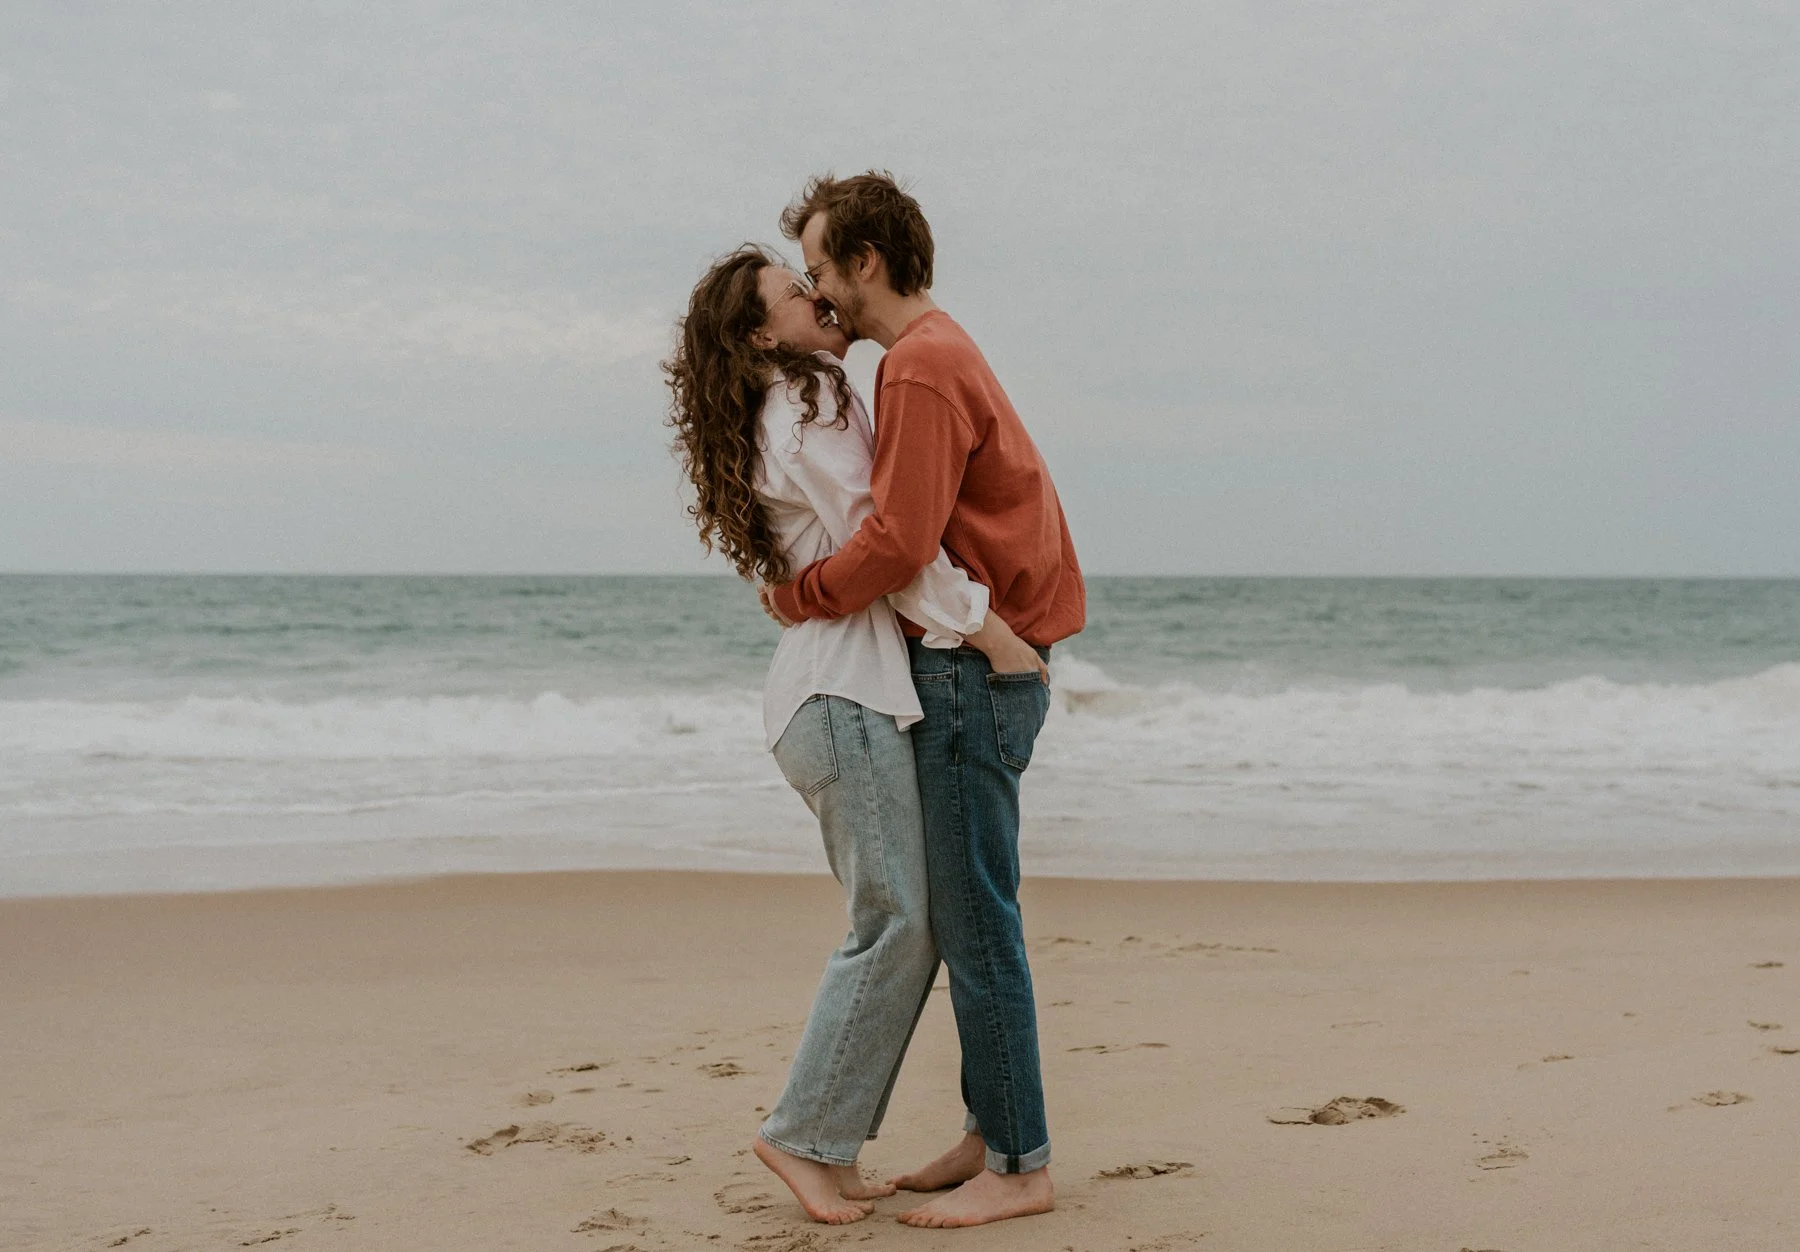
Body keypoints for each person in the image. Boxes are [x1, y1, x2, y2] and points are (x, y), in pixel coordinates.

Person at [663, 244, 1044, 1225]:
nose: (817, 291)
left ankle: (825, 1146)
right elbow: (891, 537)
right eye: (796, 289)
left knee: (907, 928)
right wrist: (989, 628)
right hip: (841, 702)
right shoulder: (809, 402)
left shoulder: (794, 401)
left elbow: (871, 541)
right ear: (760, 333)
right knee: (898, 925)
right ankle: (798, 1137)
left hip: (838, 700)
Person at [762, 172, 1086, 1229]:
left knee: (978, 925)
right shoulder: (938, 354)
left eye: (821, 269)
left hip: (965, 671)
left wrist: (804, 592)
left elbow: (898, 541)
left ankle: (1022, 1165)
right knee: (964, 915)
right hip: (980, 659)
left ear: (866, 261)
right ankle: (993, 1134)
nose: (820, 294)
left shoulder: (918, 367)